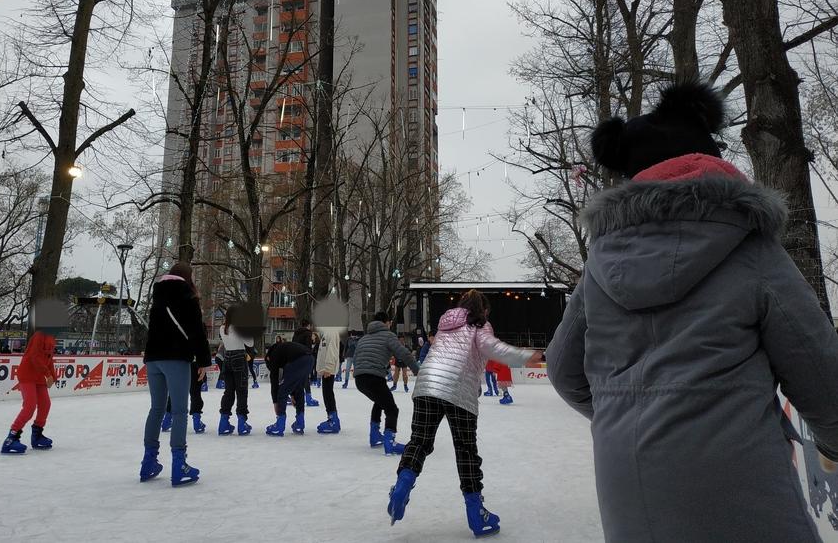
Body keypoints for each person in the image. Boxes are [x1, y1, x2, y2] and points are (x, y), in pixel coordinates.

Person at [545, 81, 838, 543]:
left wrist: (629, 414)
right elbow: (822, 375)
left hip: (628, 489)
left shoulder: (599, 268)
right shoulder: (750, 248)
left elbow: (564, 372)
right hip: (741, 482)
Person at [387, 290, 542, 537]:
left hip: (427, 384)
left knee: (420, 441)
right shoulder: (480, 326)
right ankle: (475, 512)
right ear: (482, 310)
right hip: (457, 389)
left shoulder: (445, 326)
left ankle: (402, 484)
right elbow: (494, 349)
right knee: (465, 449)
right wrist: (527, 356)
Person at [140, 262, 210, 486]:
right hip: (176, 357)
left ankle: (148, 461)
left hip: (153, 359)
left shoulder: (158, 297)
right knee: (179, 410)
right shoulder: (187, 297)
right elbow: (197, 331)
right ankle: (179, 463)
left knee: (156, 409)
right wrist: (203, 361)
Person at [0, 299, 67, 455]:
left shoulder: (51, 338)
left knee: (45, 404)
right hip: (28, 375)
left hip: (39, 377)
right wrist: (48, 374)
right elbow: (34, 357)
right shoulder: (39, 335)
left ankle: (37, 435)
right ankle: (11, 438)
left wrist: (53, 376)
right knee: (30, 407)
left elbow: (48, 359)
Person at [352, 312, 419, 455]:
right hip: (374, 377)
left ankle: (374, 435)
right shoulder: (388, 336)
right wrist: (417, 370)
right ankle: (390, 442)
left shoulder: (364, 338)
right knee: (392, 409)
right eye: (389, 322)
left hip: (360, 379)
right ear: (386, 322)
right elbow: (404, 354)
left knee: (379, 401)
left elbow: (356, 357)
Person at [264, 329, 315, 436]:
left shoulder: (273, 356)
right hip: (309, 359)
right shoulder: (284, 349)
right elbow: (291, 379)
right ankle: (300, 423)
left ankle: (280, 425)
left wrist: (275, 403)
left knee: (282, 392)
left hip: (298, 360)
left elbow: (275, 381)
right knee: (299, 390)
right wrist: (292, 394)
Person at [218, 305, 255, 436]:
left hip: (227, 358)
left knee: (228, 391)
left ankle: (223, 422)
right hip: (239, 357)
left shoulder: (223, 328)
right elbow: (250, 343)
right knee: (241, 391)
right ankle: (242, 422)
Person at [316, 325, 346, 434]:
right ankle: (331, 418)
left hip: (328, 369)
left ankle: (333, 420)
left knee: (328, 393)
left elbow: (332, 350)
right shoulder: (326, 333)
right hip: (325, 369)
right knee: (326, 393)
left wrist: (328, 367)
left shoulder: (332, 332)